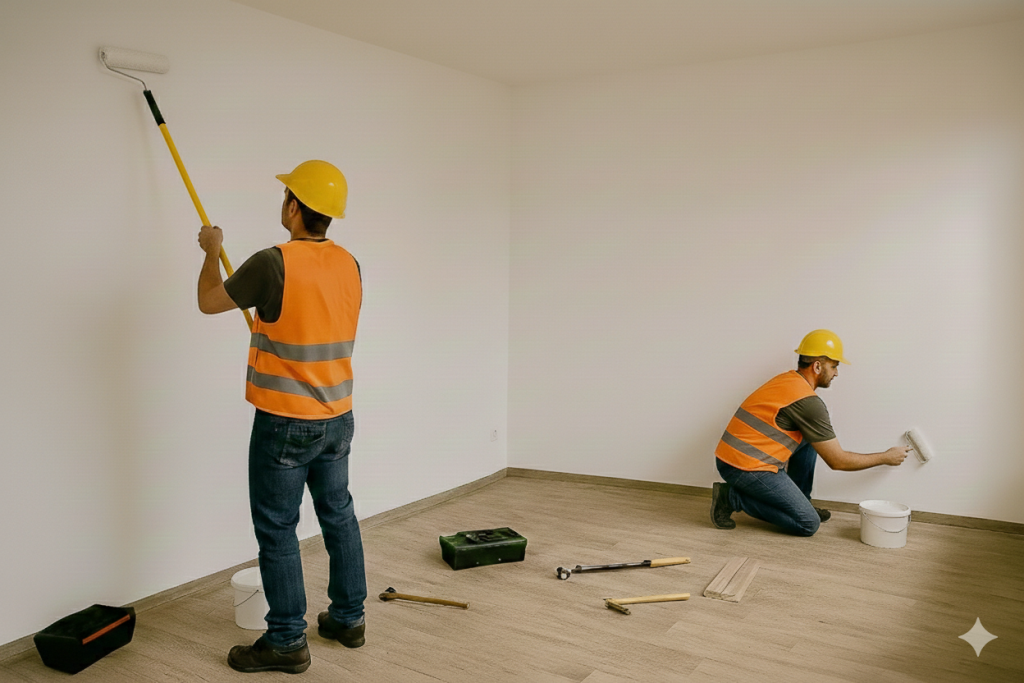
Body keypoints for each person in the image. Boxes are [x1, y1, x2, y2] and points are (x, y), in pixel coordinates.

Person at [197, 160, 367, 674]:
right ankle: (348, 617)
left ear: (294, 206)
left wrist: (210, 253)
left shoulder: (273, 263)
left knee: (276, 528)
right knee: (338, 513)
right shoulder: (350, 263)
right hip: (338, 416)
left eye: (286, 195)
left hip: (285, 421)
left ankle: (288, 640)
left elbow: (208, 301)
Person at [711, 330, 909, 537]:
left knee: (810, 436)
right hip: (742, 467)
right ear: (817, 366)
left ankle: (801, 501)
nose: (836, 373)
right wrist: (886, 457)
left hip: (733, 457)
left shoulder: (788, 380)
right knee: (808, 523)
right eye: (834, 366)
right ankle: (732, 498)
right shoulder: (808, 403)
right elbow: (837, 461)